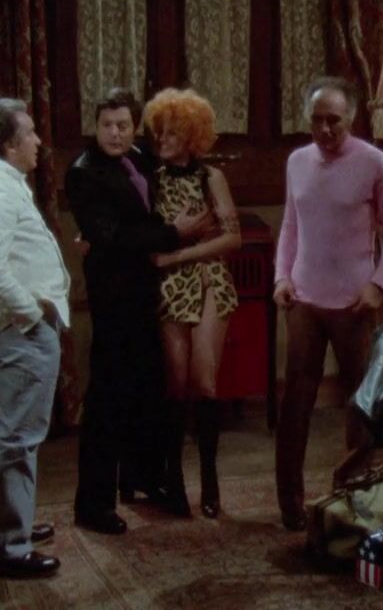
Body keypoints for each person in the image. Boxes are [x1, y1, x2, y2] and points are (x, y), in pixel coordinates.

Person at [65, 88, 213, 532]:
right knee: (107, 399)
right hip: (115, 298)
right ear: (95, 127)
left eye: (123, 125)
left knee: (148, 390)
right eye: (107, 126)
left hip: (150, 291)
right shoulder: (83, 172)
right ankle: (93, 505)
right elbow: (112, 236)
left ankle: (144, 478)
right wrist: (173, 233)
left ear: (134, 127)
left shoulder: (141, 157)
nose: (115, 133)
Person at [274, 76, 383, 531]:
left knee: (361, 403)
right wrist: (281, 277)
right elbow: (291, 225)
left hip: (355, 303)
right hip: (304, 299)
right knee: (295, 402)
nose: (325, 129)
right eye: (317, 120)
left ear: (350, 118)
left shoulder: (373, 162)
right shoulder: (297, 161)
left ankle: (355, 492)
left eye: (334, 120)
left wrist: (377, 284)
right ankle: (290, 502)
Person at [0, 98, 69, 578]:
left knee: (15, 433)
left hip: (24, 328)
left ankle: (10, 524)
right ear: (8, 144)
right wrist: (31, 316)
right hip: (20, 331)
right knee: (16, 437)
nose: (39, 141)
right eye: (30, 133)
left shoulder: (0, 182)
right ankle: (7, 544)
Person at [145, 88, 241, 519]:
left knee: (205, 381)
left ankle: (210, 478)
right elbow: (148, 239)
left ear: (190, 135)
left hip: (207, 282)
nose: (162, 140)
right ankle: (174, 480)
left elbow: (233, 238)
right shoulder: (151, 180)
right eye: (159, 132)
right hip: (168, 288)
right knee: (176, 384)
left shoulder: (211, 178)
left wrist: (177, 254)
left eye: (170, 133)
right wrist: (182, 239)